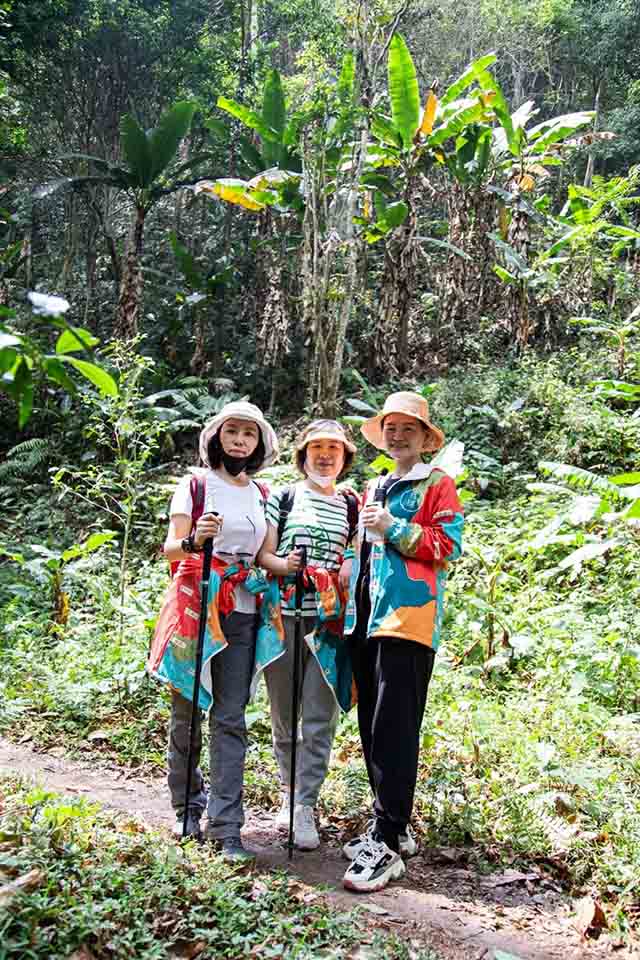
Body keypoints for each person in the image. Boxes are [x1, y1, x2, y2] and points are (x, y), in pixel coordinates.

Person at [341, 391, 464, 892]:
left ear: (424, 437)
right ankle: (392, 824)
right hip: (365, 615)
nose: (397, 435)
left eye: (407, 429)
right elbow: (363, 549)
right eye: (390, 427)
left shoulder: (438, 484)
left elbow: (448, 545)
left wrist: (394, 527)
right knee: (372, 723)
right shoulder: (376, 483)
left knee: (395, 726)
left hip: (408, 618)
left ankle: (387, 841)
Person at [148, 400, 278, 860]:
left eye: (249, 433)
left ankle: (228, 828)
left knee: (230, 718)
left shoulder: (261, 494)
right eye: (233, 431)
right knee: (187, 714)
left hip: (241, 610)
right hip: (196, 608)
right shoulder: (195, 485)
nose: (241, 439)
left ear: (259, 442)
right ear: (217, 437)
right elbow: (170, 549)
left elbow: (264, 556)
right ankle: (187, 810)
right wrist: (194, 540)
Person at [256, 420, 358, 850]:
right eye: (317, 447)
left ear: (344, 457)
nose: (325, 455)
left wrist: (345, 570)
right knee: (284, 716)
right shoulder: (284, 497)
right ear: (303, 455)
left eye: (334, 448)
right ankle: (288, 794)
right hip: (282, 620)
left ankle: (306, 806)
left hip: (327, 625)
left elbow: (355, 553)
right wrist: (285, 566)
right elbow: (263, 555)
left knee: (319, 719)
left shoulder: (353, 504)